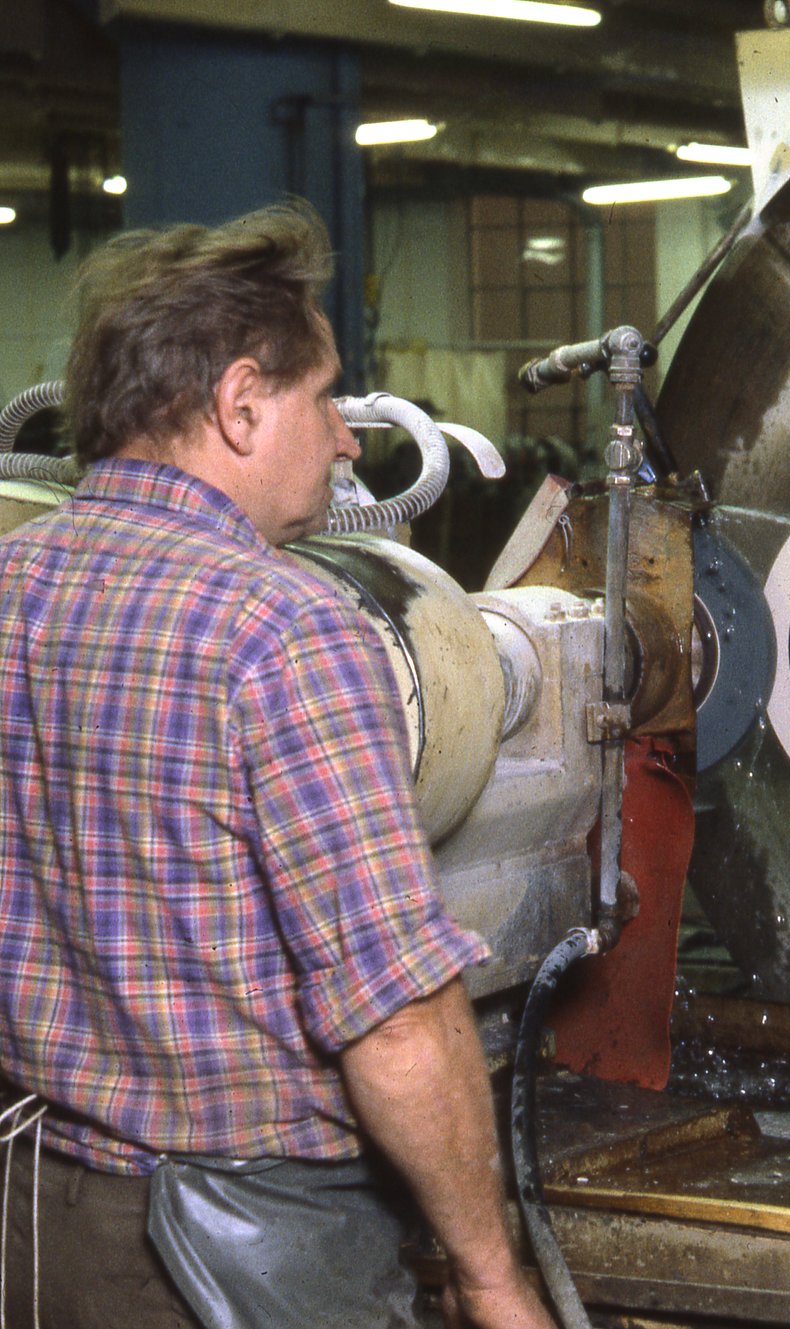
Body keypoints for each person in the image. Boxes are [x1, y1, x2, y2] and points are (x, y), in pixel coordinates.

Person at [0, 203, 553, 1328]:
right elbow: (394, 1018)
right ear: (241, 403)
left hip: (32, 1219)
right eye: (325, 397)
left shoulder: (13, 582)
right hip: (228, 1259)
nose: (349, 436)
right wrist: (493, 1278)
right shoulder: (284, 628)